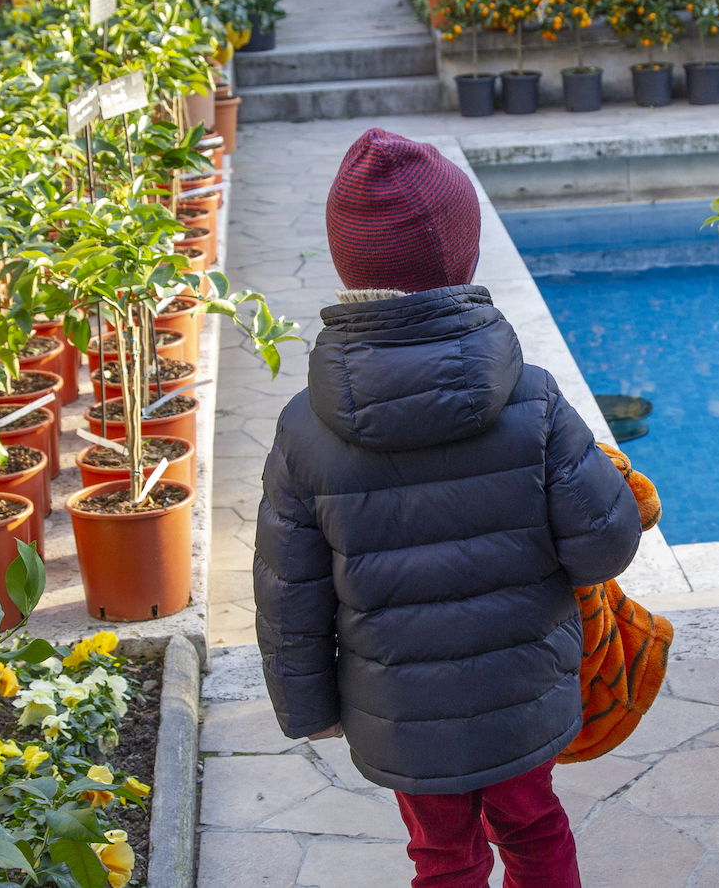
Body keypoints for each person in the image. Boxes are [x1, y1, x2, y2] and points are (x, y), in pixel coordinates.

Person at [254, 128, 642, 888]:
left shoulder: (304, 428)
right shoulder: (531, 399)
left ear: (349, 266)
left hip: (400, 712)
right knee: (534, 831)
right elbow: (603, 548)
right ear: (463, 256)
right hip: (521, 699)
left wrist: (308, 707)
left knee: (441, 857)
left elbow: (286, 595)